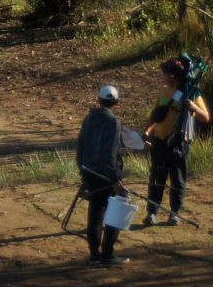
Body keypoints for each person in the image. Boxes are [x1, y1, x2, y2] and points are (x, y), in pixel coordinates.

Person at [143, 57, 210, 226]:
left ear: (173, 76)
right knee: (157, 177)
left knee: (177, 178)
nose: (163, 77)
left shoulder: (192, 93)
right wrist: (147, 131)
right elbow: (158, 115)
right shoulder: (166, 92)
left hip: (180, 142)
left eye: (165, 74)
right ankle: (152, 212)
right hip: (160, 140)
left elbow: (205, 117)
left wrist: (193, 107)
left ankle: (175, 212)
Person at [76, 85, 130, 264]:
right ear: (116, 103)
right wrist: (115, 180)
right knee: (118, 209)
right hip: (106, 176)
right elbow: (110, 155)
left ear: (98, 100)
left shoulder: (89, 118)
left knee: (95, 213)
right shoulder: (113, 122)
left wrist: (83, 172)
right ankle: (107, 253)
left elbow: (80, 147)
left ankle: (94, 254)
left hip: (89, 173)